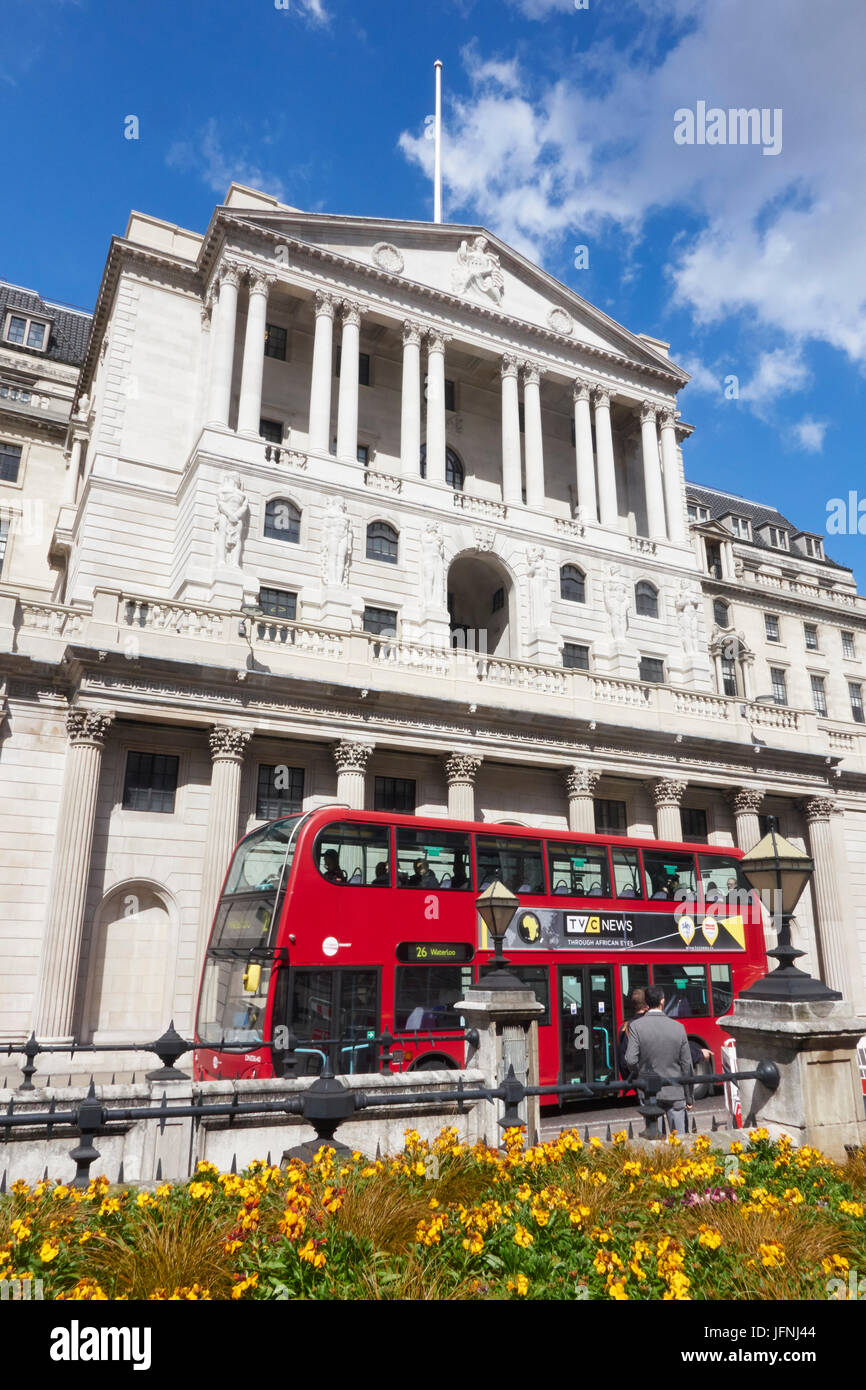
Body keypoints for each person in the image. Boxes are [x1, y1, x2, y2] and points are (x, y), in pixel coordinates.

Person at [624, 984, 694, 1136]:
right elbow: (686, 1065)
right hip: (675, 1090)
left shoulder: (636, 1026)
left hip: (649, 1090)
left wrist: (640, 1073)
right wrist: (689, 1096)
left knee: (655, 1142)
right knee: (679, 1142)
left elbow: (630, 1059)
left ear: (647, 1003)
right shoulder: (678, 1027)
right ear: (663, 1001)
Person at [617, 987, 648, 1077]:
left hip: (634, 1078)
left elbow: (623, 1061)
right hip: (651, 1078)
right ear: (647, 1005)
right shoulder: (651, 1024)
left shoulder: (624, 1027)